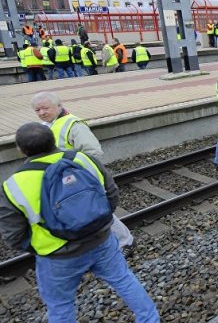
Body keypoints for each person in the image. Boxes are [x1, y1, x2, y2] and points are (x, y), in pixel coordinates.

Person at [0, 123, 159, 322]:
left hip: (57, 255)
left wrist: (36, 246)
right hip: (102, 240)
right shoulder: (82, 159)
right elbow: (111, 193)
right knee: (124, 280)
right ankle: (150, 319)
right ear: (53, 140)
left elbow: (13, 234)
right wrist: (100, 223)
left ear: (20, 149)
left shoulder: (14, 185)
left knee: (60, 305)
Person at [30, 91, 136, 253]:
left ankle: (125, 241)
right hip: (62, 181)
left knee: (96, 211)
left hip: (79, 179)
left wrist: (81, 176)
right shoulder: (45, 127)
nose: (42, 113)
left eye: (45, 108)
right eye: (37, 110)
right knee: (86, 211)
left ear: (58, 106)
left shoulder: (73, 124)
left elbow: (93, 153)